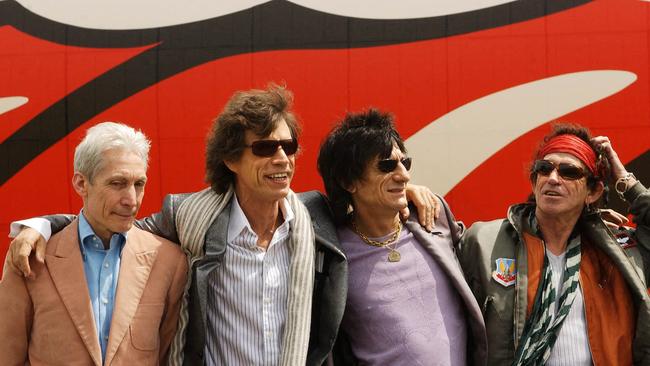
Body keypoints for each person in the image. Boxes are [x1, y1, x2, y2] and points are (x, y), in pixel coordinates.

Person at [7, 85, 438, 366]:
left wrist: (407, 189)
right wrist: (42, 226)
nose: (282, 159)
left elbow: (369, 206)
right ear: (231, 159)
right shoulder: (190, 218)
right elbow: (114, 222)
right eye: (265, 148)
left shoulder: (315, 217)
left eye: (288, 146)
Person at [458, 124, 650, 365]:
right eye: (544, 168)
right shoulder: (483, 241)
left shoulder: (618, 253)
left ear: (592, 192)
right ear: (534, 180)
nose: (552, 178)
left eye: (569, 172)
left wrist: (625, 181)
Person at [0, 122, 188, 365]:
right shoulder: (29, 258)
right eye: (117, 183)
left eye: (138, 184)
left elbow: (167, 356)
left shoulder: (169, 263)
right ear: (81, 184)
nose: (131, 200)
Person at [315, 109, 487, 365]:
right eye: (386, 165)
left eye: (405, 163)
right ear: (348, 181)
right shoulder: (332, 253)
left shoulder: (432, 216)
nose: (404, 176)